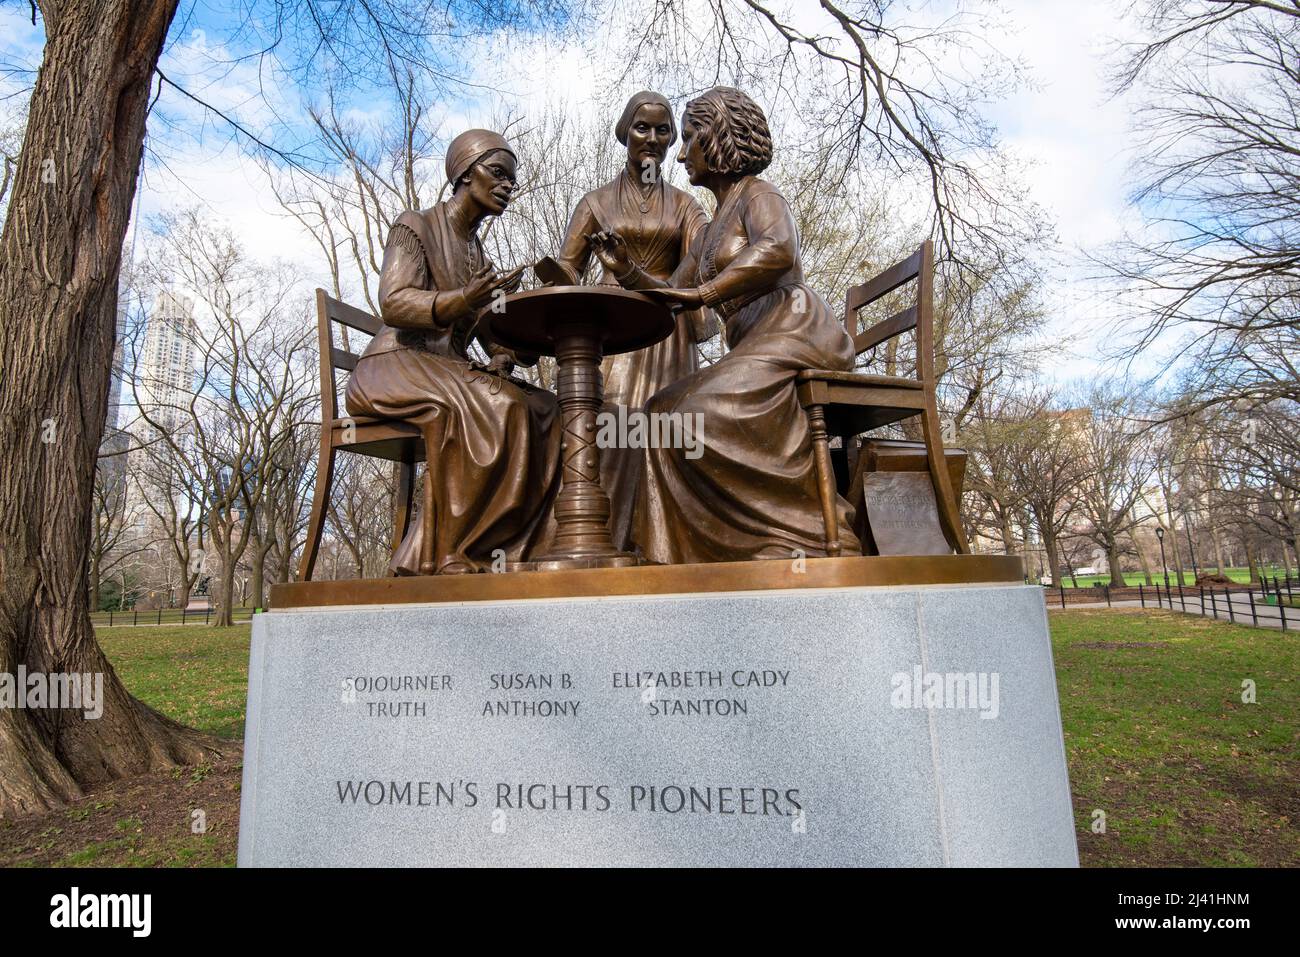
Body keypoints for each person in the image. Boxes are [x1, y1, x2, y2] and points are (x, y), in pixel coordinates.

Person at [590, 87, 862, 563]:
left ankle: (805, 533)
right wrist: (626, 270)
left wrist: (707, 294)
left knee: (702, 415)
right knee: (659, 414)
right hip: (757, 341)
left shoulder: (759, 194)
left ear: (715, 140)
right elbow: (673, 289)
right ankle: (683, 554)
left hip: (793, 329)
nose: (678, 154)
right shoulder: (714, 225)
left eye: (689, 137)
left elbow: (779, 250)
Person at [345, 129, 560, 575]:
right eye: (497, 174)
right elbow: (394, 302)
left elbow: (484, 333)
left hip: (442, 368)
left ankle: (517, 547)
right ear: (464, 173)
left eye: (512, 181)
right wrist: (462, 299)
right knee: (496, 404)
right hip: (393, 365)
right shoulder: (415, 226)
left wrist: (508, 349)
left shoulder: (476, 255)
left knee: (544, 407)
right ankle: (450, 552)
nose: (507, 187)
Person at [547, 91, 716, 550]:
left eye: (664, 130)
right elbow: (568, 269)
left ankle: (663, 547)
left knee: (669, 431)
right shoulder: (596, 202)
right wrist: (549, 278)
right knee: (611, 430)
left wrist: (662, 289)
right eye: (643, 127)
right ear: (625, 133)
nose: (653, 138)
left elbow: (703, 256)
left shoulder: (685, 205)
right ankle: (604, 542)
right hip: (613, 330)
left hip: (667, 326)